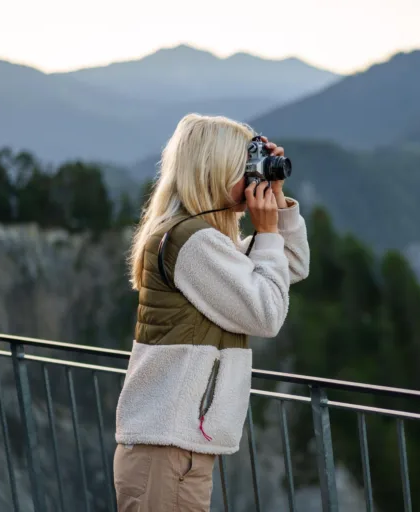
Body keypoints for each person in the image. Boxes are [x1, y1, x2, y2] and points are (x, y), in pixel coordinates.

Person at [113, 113, 310, 511]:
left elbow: (290, 267)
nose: (252, 179)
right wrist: (267, 231)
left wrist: (280, 204)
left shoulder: (200, 238)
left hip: (171, 449)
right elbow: (267, 314)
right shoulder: (193, 242)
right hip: (168, 450)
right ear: (215, 172)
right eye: (245, 170)